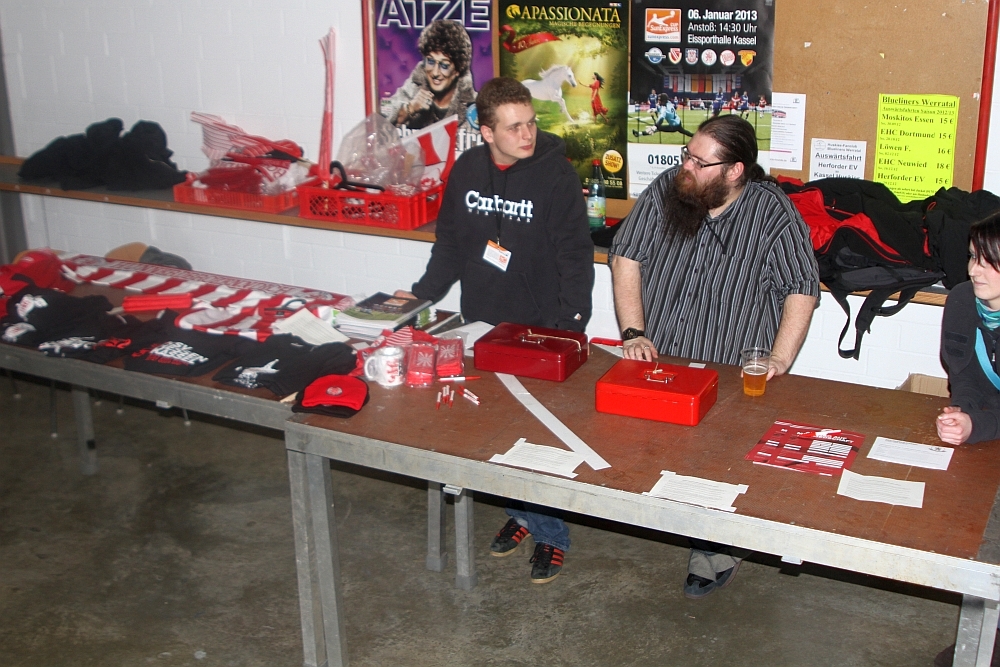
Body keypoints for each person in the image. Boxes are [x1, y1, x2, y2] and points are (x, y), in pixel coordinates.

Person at [609, 114, 820, 599]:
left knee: (718, 464)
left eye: (700, 162)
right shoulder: (670, 189)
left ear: (734, 170)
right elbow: (625, 257)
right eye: (687, 155)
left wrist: (779, 359)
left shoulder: (771, 212)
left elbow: (802, 288)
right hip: (665, 356)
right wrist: (634, 331)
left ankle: (714, 551)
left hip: (729, 365)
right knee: (655, 455)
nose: (686, 167)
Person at [396, 77, 594, 583]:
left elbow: (575, 255)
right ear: (486, 131)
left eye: (530, 123)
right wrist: (420, 295)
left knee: (535, 438)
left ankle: (551, 535)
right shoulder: (467, 169)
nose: (527, 135)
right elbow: (450, 243)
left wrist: (571, 325)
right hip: (482, 319)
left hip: (540, 325)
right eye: (513, 127)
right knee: (491, 431)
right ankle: (523, 514)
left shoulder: (556, 176)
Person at [937, 213, 1000, 446]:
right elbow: (963, 374)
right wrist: (960, 412)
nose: (973, 271)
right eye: (973, 256)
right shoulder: (961, 299)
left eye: (988, 261)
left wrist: (975, 425)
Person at [384, 20, 478, 132]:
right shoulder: (413, 88)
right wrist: (409, 109)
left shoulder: (473, 106)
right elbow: (383, 121)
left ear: (458, 69)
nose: (435, 73)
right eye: (431, 61)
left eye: (444, 65)